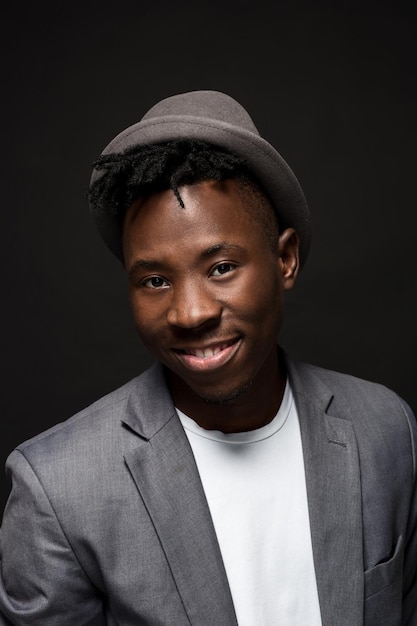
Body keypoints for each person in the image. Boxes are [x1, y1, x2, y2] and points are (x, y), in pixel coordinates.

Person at [0, 91, 416, 626]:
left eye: (220, 267)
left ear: (285, 259)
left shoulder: (386, 429)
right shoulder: (58, 490)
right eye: (154, 280)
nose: (190, 313)